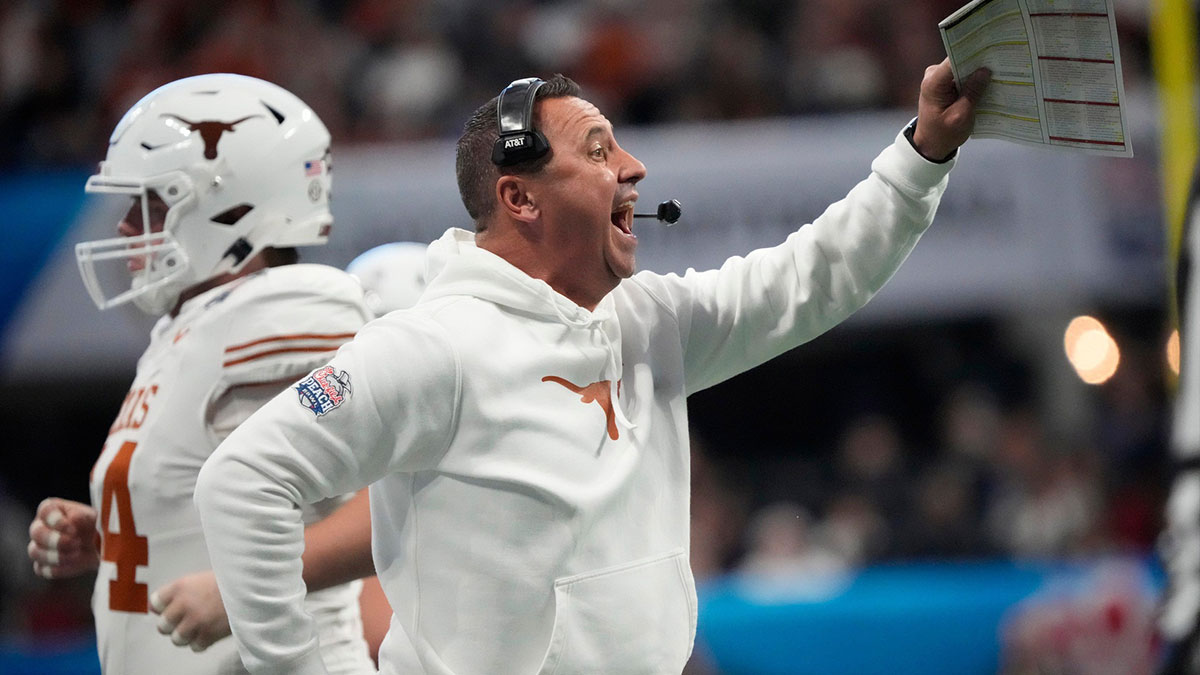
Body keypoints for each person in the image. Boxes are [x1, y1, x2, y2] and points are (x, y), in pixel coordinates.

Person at [194, 61, 990, 675]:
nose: (635, 168)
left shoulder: (648, 321)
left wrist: (922, 156)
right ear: (521, 198)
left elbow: (812, 278)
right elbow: (243, 480)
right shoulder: (433, 344)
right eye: (600, 149)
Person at [24, 73, 377, 674]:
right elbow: (251, 499)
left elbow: (399, 495)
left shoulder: (287, 314)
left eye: (154, 202)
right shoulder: (188, 328)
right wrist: (118, 534)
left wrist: (249, 583)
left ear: (235, 204)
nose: (126, 227)